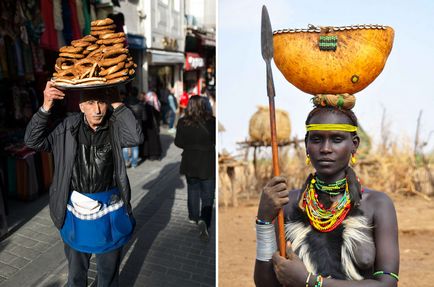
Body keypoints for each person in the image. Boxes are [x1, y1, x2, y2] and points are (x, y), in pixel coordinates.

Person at [254, 95, 399, 287]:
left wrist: (310, 282)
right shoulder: (288, 203)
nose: (325, 148)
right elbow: (266, 284)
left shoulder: (378, 205)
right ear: (306, 144)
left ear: (354, 144)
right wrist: (263, 220)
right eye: (316, 139)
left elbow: (387, 284)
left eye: (337, 139)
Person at [24, 81, 143, 286]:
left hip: (110, 212)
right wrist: (45, 107)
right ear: (80, 106)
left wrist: (117, 102)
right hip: (75, 213)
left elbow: (136, 136)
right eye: (90, 103)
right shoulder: (66, 127)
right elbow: (32, 140)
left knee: (108, 273)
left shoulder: (114, 126)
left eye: (102, 102)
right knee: (77, 273)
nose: (97, 109)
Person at [174, 96, 216, 241]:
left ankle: (193, 217)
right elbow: (215, 141)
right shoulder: (211, 122)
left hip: (190, 162)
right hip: (207, 162)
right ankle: (205, 219)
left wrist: (190, 145)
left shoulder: (182, 122)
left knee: (193, 190)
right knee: (208, 194)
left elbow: (178, 142)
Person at [123, 86, 146, 168]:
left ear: (129, 93)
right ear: (137, 94)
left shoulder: (124, 102)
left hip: (125, 127)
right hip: (137, 127)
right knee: (135, 146)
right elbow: (144, 118)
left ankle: (126, 161)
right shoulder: (140, 104)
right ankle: (134, 164)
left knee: (125, 146)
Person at [141, 89, 162, 160]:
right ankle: (155, 155)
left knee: (149, 140)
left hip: (148, 127)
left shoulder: (145, 106)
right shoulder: (156, 105)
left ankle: (149, 154)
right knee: (154, 140)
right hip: (154, 126)